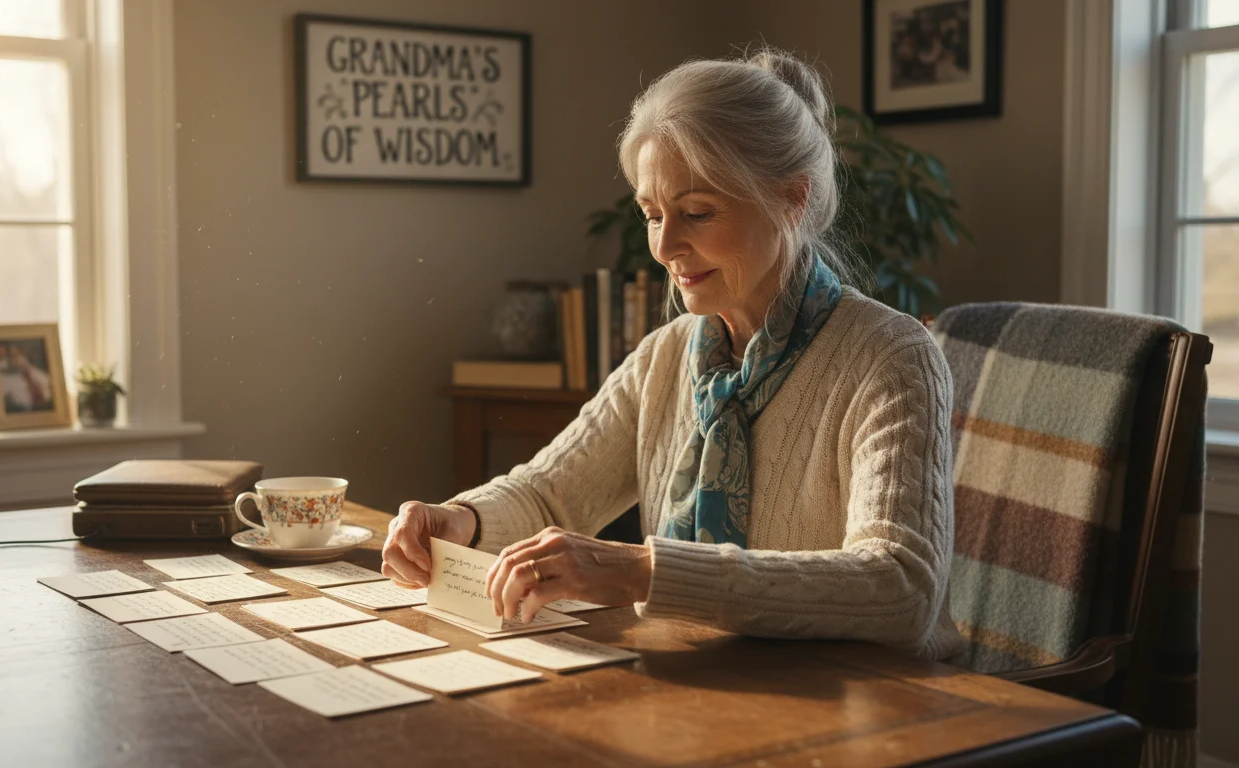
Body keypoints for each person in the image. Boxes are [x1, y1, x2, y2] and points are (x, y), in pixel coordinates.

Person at [383, 47, 963, 659]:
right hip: (703, 693)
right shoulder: (666, 358)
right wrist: (459, 521)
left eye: (696, 213)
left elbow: (899, 586)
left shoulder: (891, 358)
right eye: (652, 214)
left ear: (793, 200)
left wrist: (643, 572)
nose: (664, 247)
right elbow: (550, 495)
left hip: (874, 715)